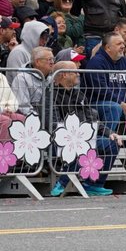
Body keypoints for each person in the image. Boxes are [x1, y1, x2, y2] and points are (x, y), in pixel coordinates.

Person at [45, 60, 118, 196]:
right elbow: (53, 124)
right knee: (83, 145)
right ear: (64, 75)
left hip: (84, 137)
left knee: (112, 143)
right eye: (74, 71)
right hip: (60, 139)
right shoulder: (50, 96)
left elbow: (92, 119)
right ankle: (62, 182)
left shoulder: (79, 94)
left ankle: (94, 184)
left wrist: (109, 132)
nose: (78, 74)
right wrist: (78, 133)